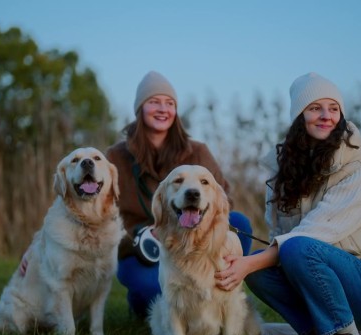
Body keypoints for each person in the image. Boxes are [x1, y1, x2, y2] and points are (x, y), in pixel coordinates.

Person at [214, 72, 361, 335]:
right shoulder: (282, 171)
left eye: (333, 108)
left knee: (291, 251)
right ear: (299, 114)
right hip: (311, 268)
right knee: (259, 273)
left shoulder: (359, 170)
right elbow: (279, 235)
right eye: (315, 108)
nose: (326, 116)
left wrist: (250, 263)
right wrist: (246, 265)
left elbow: (315, 234)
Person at [106, 71, 253, 319]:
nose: (163, 109)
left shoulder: (197, 151)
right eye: (154, 102)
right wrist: (143, 234)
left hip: (194, 243)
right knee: (154, 293)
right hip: (142, 251)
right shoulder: (116, 157)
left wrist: (198, 227)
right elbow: (103, 214)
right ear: (140, 108)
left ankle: (217, 300)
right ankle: (139, 300)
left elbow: (223, 198)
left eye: (170, 103)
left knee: (239, 223)